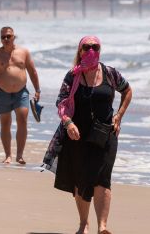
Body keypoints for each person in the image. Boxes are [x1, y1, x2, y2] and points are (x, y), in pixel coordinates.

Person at [43, 36, 132, 234]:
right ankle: (84, 224)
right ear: (80, 50)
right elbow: (61, 103)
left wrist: (119, 115)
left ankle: (102, 226)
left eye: (95, 46)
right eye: (86, 47)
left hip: (105, 133)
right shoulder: (72, 76)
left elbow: (127, 90)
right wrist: (68, 123)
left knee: (103, 177)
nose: (91, 50)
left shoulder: (110, 73)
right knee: (81, 179)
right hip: (78, 135)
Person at [0, 26, 41, 164]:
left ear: (14, 37)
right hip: (2, 92)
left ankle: (19, 155)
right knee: (5, 123)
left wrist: (37, 90)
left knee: (22, 120)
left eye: (8, 36)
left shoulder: (24, 52)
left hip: (21, 92)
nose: (6, 39)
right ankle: (8, 155)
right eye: (3, 37)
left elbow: (32, 71)